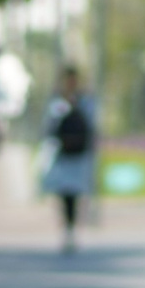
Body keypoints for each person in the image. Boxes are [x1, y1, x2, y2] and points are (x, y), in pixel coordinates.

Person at [39, 65, 97, 253]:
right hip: (63, 154)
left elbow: (92, 125)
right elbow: (50, 126)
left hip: (79, 154)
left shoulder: (85, 101)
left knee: (75, 192)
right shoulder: (57, 102)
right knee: (64, 193)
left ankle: (72, 227)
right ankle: (66, 227)